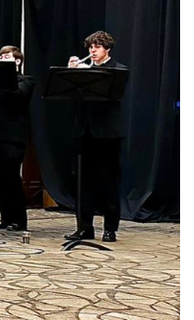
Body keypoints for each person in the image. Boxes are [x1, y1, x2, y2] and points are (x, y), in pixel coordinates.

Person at [66, 30, 127, 243]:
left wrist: (88, 72)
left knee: (109, 182)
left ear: (107, 49)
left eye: (97, 47)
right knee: (83, 182)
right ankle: (85, 228)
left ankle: (110, 228)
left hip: (108, 134)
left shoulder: (119, 70)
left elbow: (111, 94)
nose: (93, 51)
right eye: (91, 47)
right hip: (85, 132)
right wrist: (72, 75)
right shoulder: (85, 69)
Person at [0, 46, 35, 231]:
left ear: (17, 61)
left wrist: (3, 75)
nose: (1, 59)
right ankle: (5, 217)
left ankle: (19, 220)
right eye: (0, 56)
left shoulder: (25, 80)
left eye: (6, 57)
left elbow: (19, 95)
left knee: (11, 178)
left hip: (12, 137)